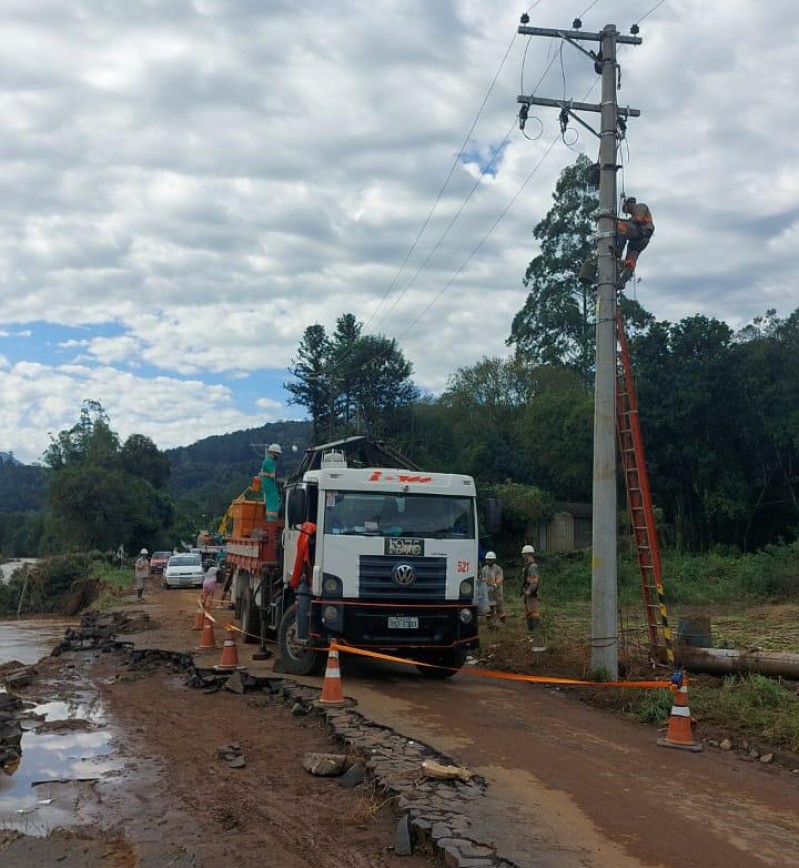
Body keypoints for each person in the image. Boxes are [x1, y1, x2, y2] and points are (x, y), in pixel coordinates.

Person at [615, 196, 654, 284]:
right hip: (639, 241)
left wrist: (627, 221)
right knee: (630, 262)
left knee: (621, 226)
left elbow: (639, 219)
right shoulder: (634, 214)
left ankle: (619, 250)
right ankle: (621, 282)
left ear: (629, 204)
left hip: (643, 232)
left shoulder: (640, 206)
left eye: (626, 207)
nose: (626, 211)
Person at [519, 544, 545, 647]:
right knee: (529, 614)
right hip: (527, 594)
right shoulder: (527, 566)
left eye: (523, 554)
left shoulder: (533, 566)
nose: (523, 556)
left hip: (531, 595)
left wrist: (529, 591)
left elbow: (534, 581)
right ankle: (532, 634)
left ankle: (537, 634)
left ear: (527, 554)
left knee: (533, 613)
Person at [481, 552, 506, 627]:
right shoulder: (484, 569)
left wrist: (496, 584)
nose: (488, 561)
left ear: (493, 560)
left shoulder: (498, 569)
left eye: (490, 560)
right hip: (488, 594)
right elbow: (482, 579)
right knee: (489, 610)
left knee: (499, 609)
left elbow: (500, 578)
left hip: (497, 592)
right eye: (487, 560)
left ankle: (503, 624)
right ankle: (490, 625)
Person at [260, 443, 282, 521]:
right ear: (272, 452)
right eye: (277, 453)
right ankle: (272, 523)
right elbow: (273, 476)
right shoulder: (269, 462)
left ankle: (271, 522)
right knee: (273, 509)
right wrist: (283, 482)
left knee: (271, 508)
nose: (278, 455)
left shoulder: (268, 461)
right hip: (271, 487)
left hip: (269, 487)